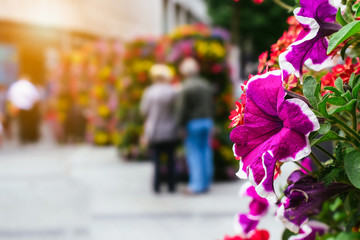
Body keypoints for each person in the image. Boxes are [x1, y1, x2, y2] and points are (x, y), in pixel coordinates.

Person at [176, 57, 214, 194]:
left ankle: (196, 185)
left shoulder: (185, 87)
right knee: (206, 152)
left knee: (194, 154)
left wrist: (180, 126)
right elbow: (211, 105)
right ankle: (206, 183)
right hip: (207, 121)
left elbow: (181, 109)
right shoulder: (205, 85)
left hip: (193, 123)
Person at [140, 64, 178, 193]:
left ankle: (156, 186)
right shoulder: (173, 91)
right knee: (171, 159)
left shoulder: (149, 92)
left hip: (155, 130)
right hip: (171, 129)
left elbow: (143, 110)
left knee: (156, 159)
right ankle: (172, 186)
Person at [7, 75, 41, 143]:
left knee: (21, 123)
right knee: (28, 122)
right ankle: (29, 137)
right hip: (29, 107)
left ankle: (23, 138)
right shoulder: (30, 85)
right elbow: (36, 97)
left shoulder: (15, 85)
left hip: (18, 107)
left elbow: (10, 97)